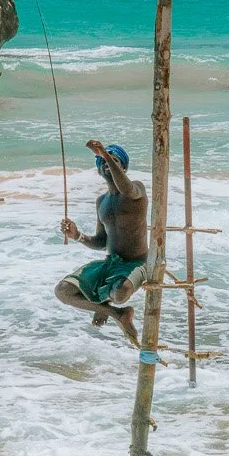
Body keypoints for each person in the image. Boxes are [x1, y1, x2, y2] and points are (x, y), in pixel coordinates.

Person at [55, 139, 148, 344]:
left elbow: (126, 188)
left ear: (124, 167)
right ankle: (116, 313)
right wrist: (77, 235)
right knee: (63, 291)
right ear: (98, 171)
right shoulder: (101, 201)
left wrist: (104, 153)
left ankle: (107, 301)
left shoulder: (136, 190)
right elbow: (101, 241)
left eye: (114, 161)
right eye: (103, 162)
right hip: (110, 263)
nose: (107, 163)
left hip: (136, 263)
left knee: (120, 292)